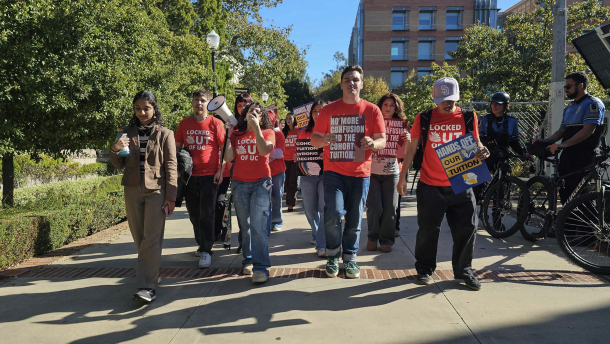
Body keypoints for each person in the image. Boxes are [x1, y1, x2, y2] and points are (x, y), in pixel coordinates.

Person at [397, 77, 490, 291]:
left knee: (467, 229)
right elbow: (411, 148)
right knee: (428, 230)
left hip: (462, 182)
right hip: (430, 184)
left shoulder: (468, 117)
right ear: (435, 98)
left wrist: (482, 150)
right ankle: (424, 270)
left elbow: (476, 142)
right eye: (442, 100)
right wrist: (403, 176)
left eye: (451, 99)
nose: (447, 104)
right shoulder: (424, 117)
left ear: (457, 97)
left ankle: (464, 270)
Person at [311, 65, 386, 278]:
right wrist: (323, 139)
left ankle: (350, 257)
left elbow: (383, 140)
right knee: (333, 213)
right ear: (341, 84)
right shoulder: (328, 110)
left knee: (354, 218)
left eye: (355, 79)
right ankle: (333, 254)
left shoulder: (372, 110)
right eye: (347, 80)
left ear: (361, 84)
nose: (351, 83)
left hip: (361, 173)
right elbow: (314, 139)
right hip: (334, 172)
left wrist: (373, 142)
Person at [109, 90, 177, 302]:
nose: (142, 112)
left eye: (146, 108)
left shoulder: (165, 134)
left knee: (151, 238)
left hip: (156, 190)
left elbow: (172, 166)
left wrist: (172, 196)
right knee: (140, 238)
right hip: (131, 188)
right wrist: (115, 148)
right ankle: (152, 272)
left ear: (154, 108)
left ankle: (146, 287)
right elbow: (117, 163)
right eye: (137, 108)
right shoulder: (125, 132)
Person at [535, 71, 605, 205]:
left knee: (580, 195)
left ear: (580, 86)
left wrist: (563, 145)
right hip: (568, 155)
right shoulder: (569, 108)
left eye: (568, 86)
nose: (565, 89)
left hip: (584, 156)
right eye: (565, 87)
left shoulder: (592, 104)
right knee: (565, 192)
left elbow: (588, 130)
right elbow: (561, 131)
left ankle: (584, 226)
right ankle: (566, 224)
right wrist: (545, 141)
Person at [224, 102, 275, 283]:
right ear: (245, 114)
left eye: (258, 112)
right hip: (239, 184)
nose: (254, 113)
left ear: (263, 118)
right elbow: (228, 157)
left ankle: (261, 268)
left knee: (258, 226)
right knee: (245, 227)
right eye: (251, 111)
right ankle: (248, 259)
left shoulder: (269, 133)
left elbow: (263, 150)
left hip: (261, 183)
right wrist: (229, 135)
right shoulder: (237, 134)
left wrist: (256, 129)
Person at [175, 89, 226, 269]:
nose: (199, 103)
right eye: (196, 99)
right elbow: (177, 149)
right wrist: (177, 171)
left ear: (208, 103)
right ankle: (202, 243)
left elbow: (224, 149)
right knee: (194, 214)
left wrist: (221, 169)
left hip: (209, 176)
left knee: (207, 213)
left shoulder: (215, 123)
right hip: (189, 178)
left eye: (203, 100)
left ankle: (206, 250)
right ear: (192, 102)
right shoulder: (184, 124)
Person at [366, 93, 409, 253]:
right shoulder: (371, 122)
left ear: (396, 107)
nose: (389, 108)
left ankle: (386, 240)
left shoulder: (401, 125)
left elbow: (406, 152)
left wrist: (408, 139)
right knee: (375, 207)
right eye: (386, 104)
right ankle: (372, 237)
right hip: (372, 171)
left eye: (392, 105)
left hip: (392, 172)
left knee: (391, 207)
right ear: (380, 106)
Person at [297, 100, 328, 257]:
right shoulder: (304, 132)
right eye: (315, 111)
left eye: (321, 110)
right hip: (307, 175)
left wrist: (327, 154)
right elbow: (302, 152)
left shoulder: (331, 130)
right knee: (309, 208)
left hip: (326, 174)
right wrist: (299, 156)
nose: (318, 114)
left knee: (323, 208)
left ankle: (322, 244)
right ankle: (317, 233)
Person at [231, 93, 253, 254]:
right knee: (242, 214)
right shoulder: (233, 125)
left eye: (245, 105)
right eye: (239, 105)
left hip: (257, 174)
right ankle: (244, 243)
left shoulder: (257, 122)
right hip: (237, 172)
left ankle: (252, 246)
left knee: (255, 216)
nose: (242, 108)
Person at [268, 118, 286, 232]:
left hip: (277, 172)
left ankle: (276, 222)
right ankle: (266, 222)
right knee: (264, 198)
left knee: (276, 197)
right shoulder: (259, 133)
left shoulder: (278, 134)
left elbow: (279, 153)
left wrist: (263, 151)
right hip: (263, 172)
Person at [283, 113, 300, 212]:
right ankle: (291, 198)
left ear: (294, 119)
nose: (288, 120)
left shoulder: (298, 130)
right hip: (285, 159)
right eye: (287, 118)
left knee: (293, 181)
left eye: (290, 118)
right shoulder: (284, 131)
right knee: (287, 181)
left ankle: (290, 203)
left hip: (295, 159)